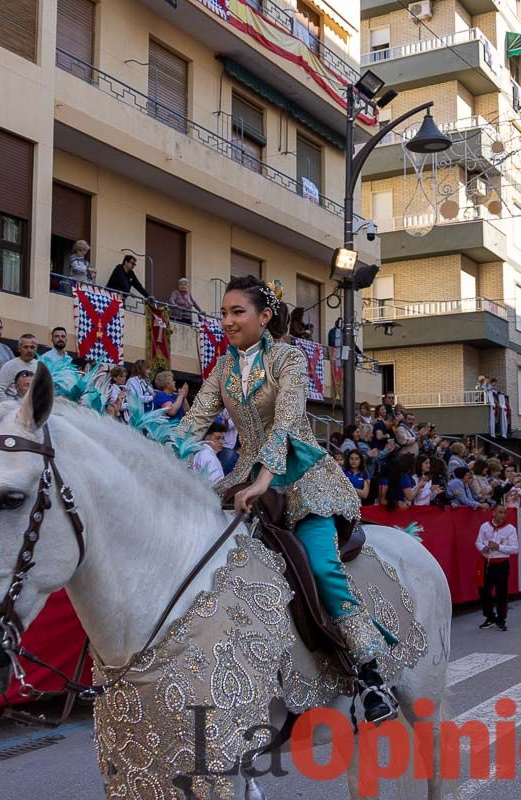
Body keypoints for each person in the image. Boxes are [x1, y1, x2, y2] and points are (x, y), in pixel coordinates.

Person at [174, 273, 399, 724]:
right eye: (223, 313)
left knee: (319, 565)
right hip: (245, 482)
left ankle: (371, 671)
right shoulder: (222, 369)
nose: (227, 321)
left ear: (265, 316)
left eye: (237, 312)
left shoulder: (288, 358)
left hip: (303, 483)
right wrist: (155, 456)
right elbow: (192, 424)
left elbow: (289, 421)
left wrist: (265, 478)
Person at [476, 504, 517, 631]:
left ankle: (501, 619)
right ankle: (490, 617)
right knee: (484, 590)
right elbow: (478, 542)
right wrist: (484, 547)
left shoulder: (510, 529)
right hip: (487, 562)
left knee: (501, 592)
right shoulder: (485, 526)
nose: (502, 515)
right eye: (500, 512)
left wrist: (499, 547)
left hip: (501, 563)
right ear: (493, 512)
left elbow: (515, 549)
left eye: (504, 513)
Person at [0, 333, 39, 402]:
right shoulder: (9, 365)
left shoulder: (41, 366)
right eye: (25, 347)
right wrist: (9, 406)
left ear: (36, 349)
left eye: (32, 347)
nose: (29, 350)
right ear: (19, 349)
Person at [190, 421, 226, 485]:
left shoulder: (199, 453)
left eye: (222, 438)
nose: (221, 442)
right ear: (207, 437)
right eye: (217, 438)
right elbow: (217, 485)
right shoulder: (210, 458)